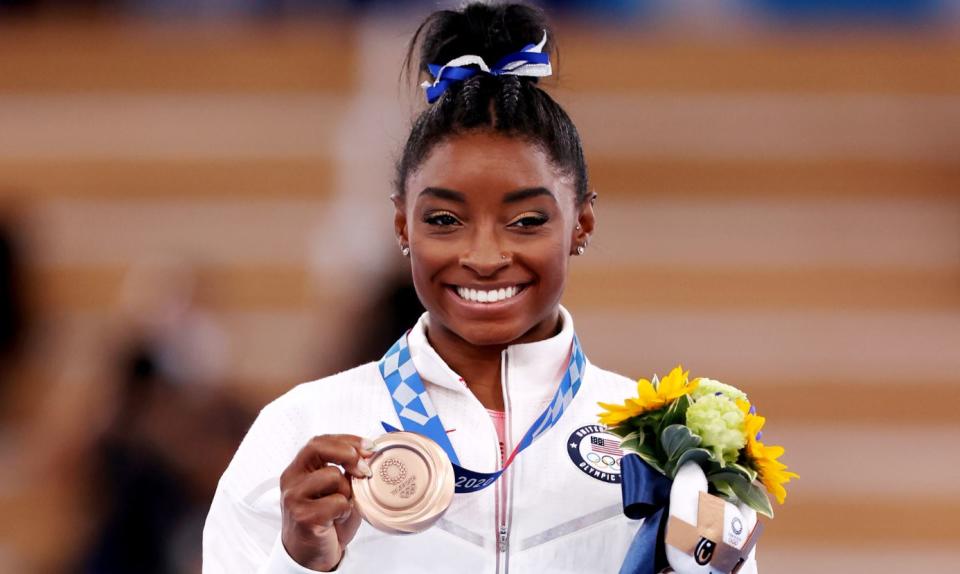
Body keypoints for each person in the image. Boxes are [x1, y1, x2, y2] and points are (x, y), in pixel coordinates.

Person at [204, 3, 758, 573]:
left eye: (526, 221)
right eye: (445, 220)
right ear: (402, 225)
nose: (485, 257)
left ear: (582, 223)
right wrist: (301, 562)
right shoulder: (300, 429)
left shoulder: (668, 446)